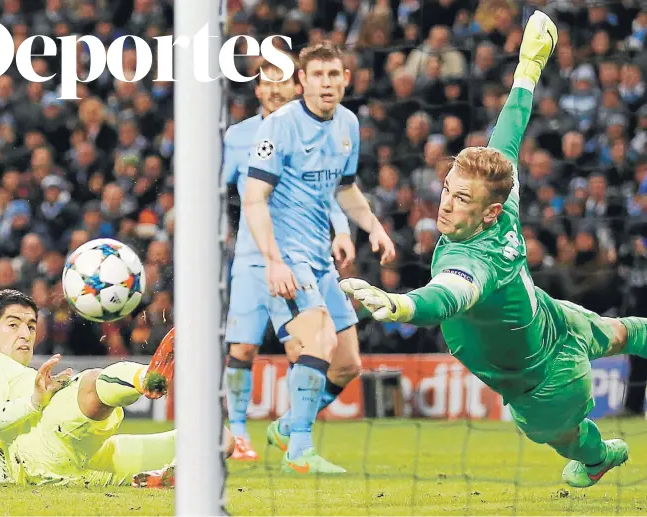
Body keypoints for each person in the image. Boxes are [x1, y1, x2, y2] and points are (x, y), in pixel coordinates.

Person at [341, 11, 642, 488]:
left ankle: (600, 454)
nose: (445, 204)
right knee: (624, 333)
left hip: (545, 386)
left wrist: (401, 304)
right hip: (557, 320)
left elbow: (447, 295)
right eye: (447, 188)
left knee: (568, 441)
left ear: (489, 215)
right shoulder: (503, 199)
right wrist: (528, 67)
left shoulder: (471, 262)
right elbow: (509, 132)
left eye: (461, 199)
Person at [241, 42, 396, 474]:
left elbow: (344, 188)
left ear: (346, 79)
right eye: (318, 75)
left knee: (348, 365)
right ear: (301, 82)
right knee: (320, 342)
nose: (327, 83)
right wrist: (273, 260)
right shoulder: (280, 127)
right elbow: (254, 200)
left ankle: (289, 425)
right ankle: (300, 451)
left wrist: (372, 227)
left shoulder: (347, 123)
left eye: (334, 75)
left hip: (320, 259)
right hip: (284, 258)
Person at [0, 289, 234, 488]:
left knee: (218, 438)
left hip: (70, 468)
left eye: (31, 326)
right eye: (13, 325)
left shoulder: (31, 376)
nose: (25, 334)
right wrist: (34, 401)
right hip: (41, 448)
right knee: (91, 383)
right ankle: (147, 378)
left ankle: (168, 475)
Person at [223, 58, 358, 461]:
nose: (276, 89)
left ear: (294, 86)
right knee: (244, 349)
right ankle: (241, 432)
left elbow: (324, 188)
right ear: (258, 90)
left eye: (283, 82)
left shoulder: (312, 129)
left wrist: (342, 229)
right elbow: (223, 189)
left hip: (296, 254)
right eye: (268, 83)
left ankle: (292, 433)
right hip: (253, 256)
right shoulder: (237, 136)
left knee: (309, 350)